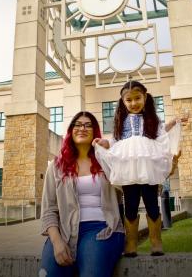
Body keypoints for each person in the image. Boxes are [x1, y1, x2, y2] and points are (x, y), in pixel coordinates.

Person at [93, 80, 184, 257]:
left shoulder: (152, 120)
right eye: (129, 100)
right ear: (123, 102)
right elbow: (114, 141)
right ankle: (132, 242)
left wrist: (172, 123)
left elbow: (160, 135)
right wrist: (103, 142)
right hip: (128, 169)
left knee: (151, 203)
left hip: (147, 167)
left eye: (137, 98)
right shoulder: (120, 121)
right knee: (131, 204)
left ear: (145, 97)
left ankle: (156, 241)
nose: (133, 103)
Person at [40, 111, 125, 277]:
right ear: (71, 131)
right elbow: (48, 209)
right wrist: (56, 241)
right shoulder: (57, 166)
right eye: (77, 124)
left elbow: (128, 186)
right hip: (64, 230)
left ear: (95, 132)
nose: (82, 128)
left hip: (102, 228)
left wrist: (107, 155)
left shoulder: (106, 160)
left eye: (88, 125)